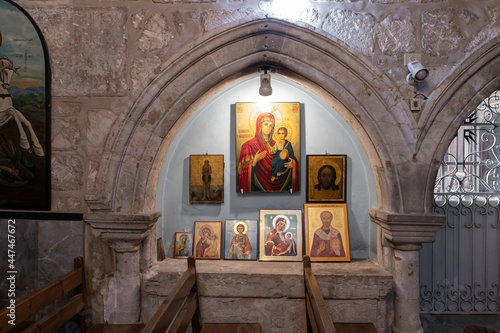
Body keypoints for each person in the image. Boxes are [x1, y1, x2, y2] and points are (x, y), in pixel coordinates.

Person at [237, 112, 299, 193]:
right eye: (266, 124)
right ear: (259, 126)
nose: (268, 128)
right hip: (256, 189)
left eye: (271, 125)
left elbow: (291, 159)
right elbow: (241, 171)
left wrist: (293, 164)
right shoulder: (248, 146)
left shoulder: (276, 144)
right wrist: (254, 162)